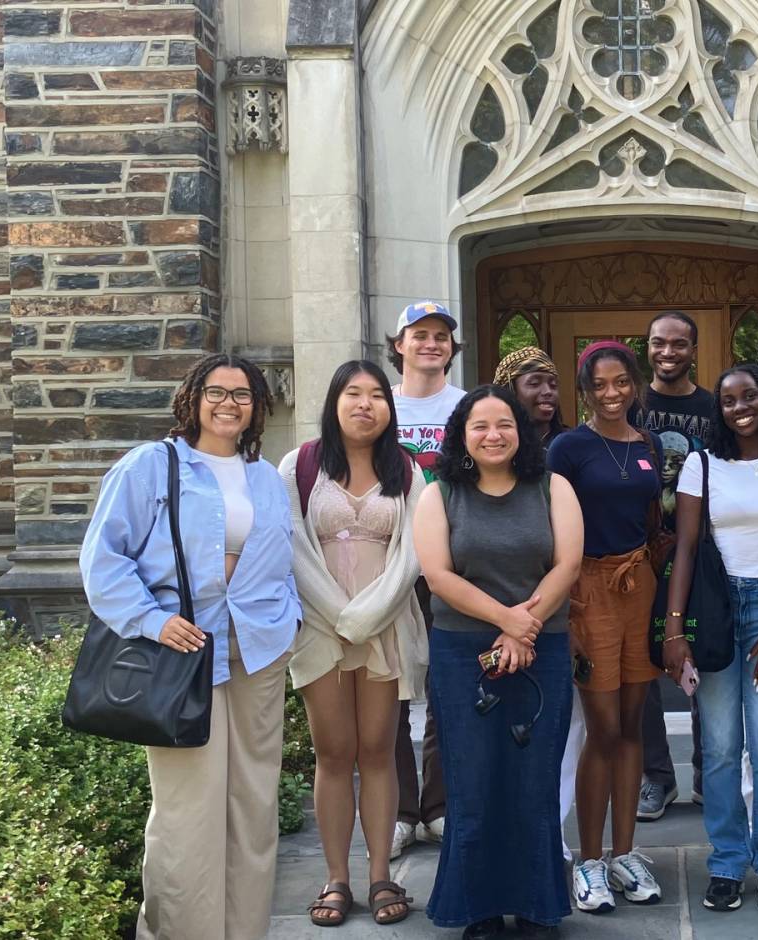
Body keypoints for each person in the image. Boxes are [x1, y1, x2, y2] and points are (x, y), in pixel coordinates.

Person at [79, 353, 300, 940]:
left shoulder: (263, 477)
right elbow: (103, 559)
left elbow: (283, 561)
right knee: (187, 813)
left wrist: (289, 620)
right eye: (217, 391)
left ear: (258, 407)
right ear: (193, 397)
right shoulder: (152, 466)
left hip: (257, 654)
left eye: (243, 394)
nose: (229, 403)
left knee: (254, 808)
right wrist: (151, 621)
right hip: (182, 656)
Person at [415, 386, 583, 940]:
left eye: (504, 424)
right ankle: (477, 907)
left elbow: (567, 564)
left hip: (542, 650)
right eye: (481, 425)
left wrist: (523, 626)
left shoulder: (552, 487)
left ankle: (538, 906)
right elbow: (438, 576)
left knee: (534, 781)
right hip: (463, 652)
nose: (494, 434)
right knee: (474, 781)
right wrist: (506, 621)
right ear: (462, 434)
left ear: (522, 431)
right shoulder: (439, 495)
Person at [279, 360, 424, 927]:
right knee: (334, 753)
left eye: (377, 395)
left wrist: (367, 616)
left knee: (379, 749)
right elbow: (291, 545)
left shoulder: (406, 469)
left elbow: (413, 554)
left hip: (385, 624)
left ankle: (381, 873)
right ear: (335, 401)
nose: (365, 404)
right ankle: (337, 876)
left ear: (390, 409)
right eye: (353, 393)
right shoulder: (302, 465)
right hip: (320, 626)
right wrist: (340, 616)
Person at [660, 364, 758, 913]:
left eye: (750, 396)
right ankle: (725, 862)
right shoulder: (702, 464)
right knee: (720, 748)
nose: (739, 407)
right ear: (718, 409)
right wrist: (675, 630)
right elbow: (687, 550)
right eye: (728, 400)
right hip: (719, 612)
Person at [547, 341, 667, 913]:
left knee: (632, 722)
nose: (612, 394)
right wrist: (563, 609)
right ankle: (588, 860)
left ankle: (625, 853)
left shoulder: (649, 445)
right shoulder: (568, 448)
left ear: (635, 386)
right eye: (600, 386)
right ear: (585, 391)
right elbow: (552, 530)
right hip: (587, 588)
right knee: (601, 726)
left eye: (622, 383)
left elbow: (652, 522)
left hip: (637, 584)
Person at [385, 299, 466, 856]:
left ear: (452, 349)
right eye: (420, 334)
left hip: (453, 563)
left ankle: (437, 806)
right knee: (389, 684)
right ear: (399, 345)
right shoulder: (378, 406)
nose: (430, 343)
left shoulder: (466, 408)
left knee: (447, 684)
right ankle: (398, 810)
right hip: (388, 561)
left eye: (441, 335)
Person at [494, 345, 580, 848]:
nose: (547, 392)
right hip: (499, 606)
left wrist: (536, 615)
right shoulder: (490, 450)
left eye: (552, 383)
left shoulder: (568, 448)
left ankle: (554, 832)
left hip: (560, 606)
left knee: (563, 728)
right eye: (534, 383)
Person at [639, 310, 716, 821]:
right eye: (658, 343)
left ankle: (710, 773)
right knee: (643, 666)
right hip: (640, 554)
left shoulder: (713, 406)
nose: (668, 352)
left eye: (679, 344)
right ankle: (656, 777)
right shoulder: (630, 402)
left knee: (702, 657)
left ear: (693, 349)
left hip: (702, 552)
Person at [495, 345, 567, 448]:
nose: (548, 391)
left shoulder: (572, 445)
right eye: (534, 383)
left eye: (553, 385)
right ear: (509, 391)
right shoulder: (494, 444)